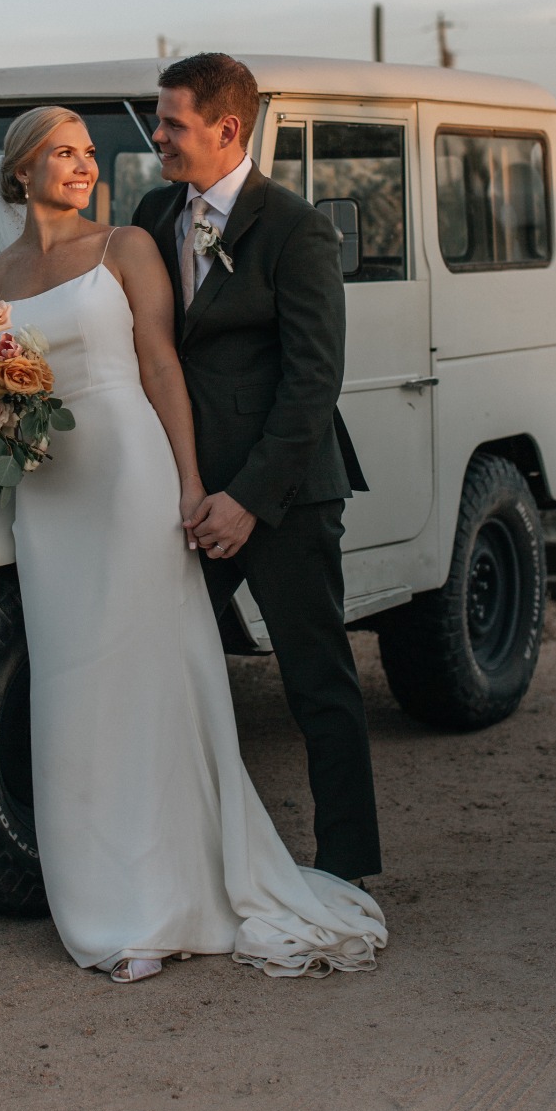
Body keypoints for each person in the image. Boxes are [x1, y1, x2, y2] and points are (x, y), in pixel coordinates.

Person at [0, 105, 385, 983]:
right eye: (67, 153)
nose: (96, 162)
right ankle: (106, 888)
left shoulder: (175, 238)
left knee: (246, 672)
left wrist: (200, 486)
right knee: (82, 684)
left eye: (96, 151)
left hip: (165, 477)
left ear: (226, 126)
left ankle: (330, 864)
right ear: (21, 172)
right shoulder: (33, 262)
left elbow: (193, 366)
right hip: (54, 494)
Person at [131, 52, 381, 885]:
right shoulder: (152, 211)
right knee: (168, 675)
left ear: (227, 128)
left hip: (283, 498)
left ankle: (347, 865)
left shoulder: (296, 227)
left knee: (317, 684)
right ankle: (176, 859)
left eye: (172, 122)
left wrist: (248, 501)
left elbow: (315, 382)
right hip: (182, 496)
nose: (156, 135)